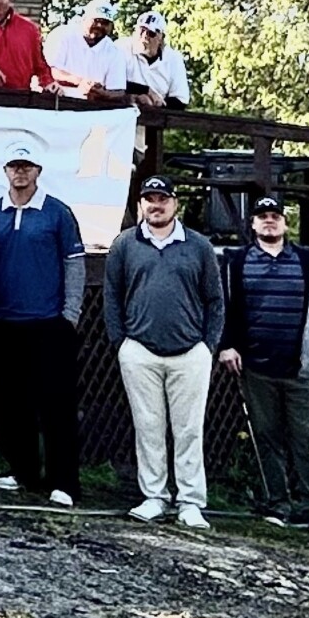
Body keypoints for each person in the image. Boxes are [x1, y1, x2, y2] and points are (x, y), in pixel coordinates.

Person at [104, 177, 223, 528]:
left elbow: (215, 299)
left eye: (163, 199)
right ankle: (154, 496)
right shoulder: (125, 244)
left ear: (175, 204)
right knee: (148, 427)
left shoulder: (198, 245)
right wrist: (121, 343)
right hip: (139, 350)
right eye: (149, 199)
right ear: (141, 204)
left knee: (189, 430)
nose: (156, 205)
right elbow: (112, 295)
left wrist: (208, 345)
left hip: (190, 352)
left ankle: (190, 501)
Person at [0, 142, 87, 505]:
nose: (20, 172)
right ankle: (24, 471)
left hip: (48, 323)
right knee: (10, 406)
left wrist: (70, 315)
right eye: (14, 166)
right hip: (0, 323)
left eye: (27, 166)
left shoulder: (57, 213)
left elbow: (74, 265)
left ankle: (64, 482)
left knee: (56, 407)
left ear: (38, 170)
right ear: (5, 170)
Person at [221, 196, 309, 535]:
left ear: (285, 222)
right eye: (262, 216)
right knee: (266, 438)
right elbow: (225, 307)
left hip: (301, 368)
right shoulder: (237, 261)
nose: (269, 221)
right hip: (256, 367)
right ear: (253, 224)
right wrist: (227, 345)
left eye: (275, 216)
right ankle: (277, 505)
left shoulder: (308, 261)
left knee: (307, 439)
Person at [48, 0, 135, 100]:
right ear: (84, 19)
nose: (99, 26)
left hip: (92, 106)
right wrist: (80, 82)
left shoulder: (115, 52)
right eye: (96, 20)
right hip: (57, 100)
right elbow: (51, 71)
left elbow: (118, 91)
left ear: (111, 26)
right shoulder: (62, 35)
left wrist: (101, 93)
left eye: (105, 23)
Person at [126, 10, 193, 111]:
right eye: (141, 31)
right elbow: (112, 83)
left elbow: (180, 100)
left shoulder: (174, 59)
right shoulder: (121, 48)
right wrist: (145, 91)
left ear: (161, 38)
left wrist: (158, 104)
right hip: (123, 109)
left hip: (157, 115)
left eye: (151, 33)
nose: (145, 36)